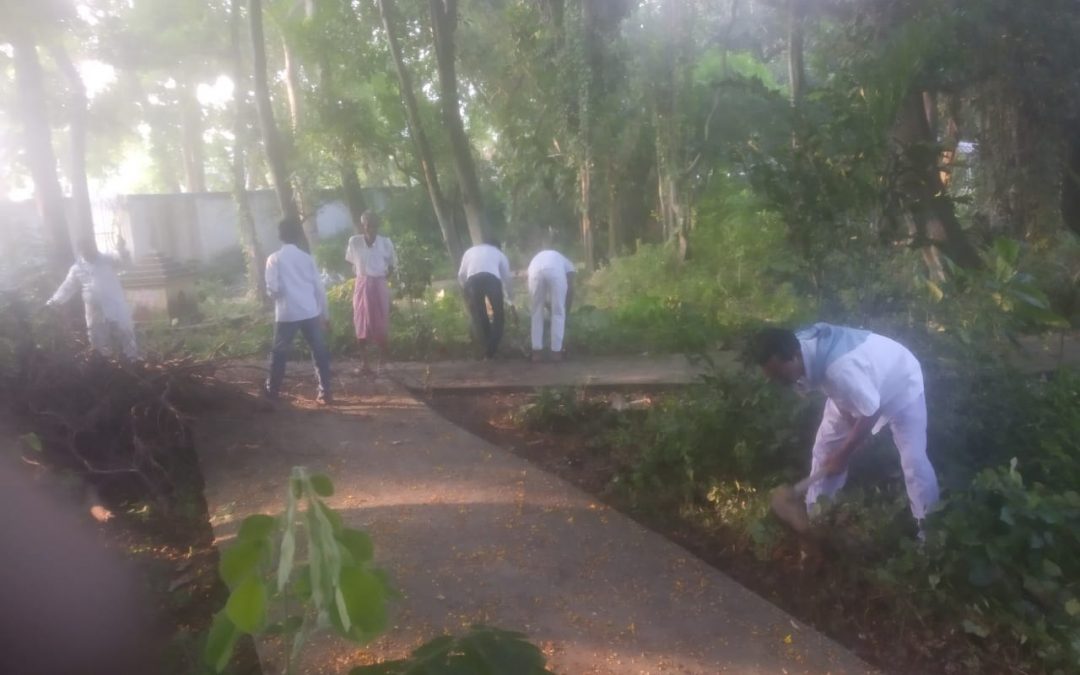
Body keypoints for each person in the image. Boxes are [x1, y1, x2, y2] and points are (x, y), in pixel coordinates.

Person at [751, 323, 939, 528]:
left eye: (780, 375)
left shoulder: (840, 370)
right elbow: (844, 396)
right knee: (824, 451)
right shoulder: (797, 345)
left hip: (900, 380)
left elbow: (870, 412)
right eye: (772, 376)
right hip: (857, 382)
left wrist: (844, 454)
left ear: (795, 355)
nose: (778, 381)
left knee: (914, 460)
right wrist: (852, 434)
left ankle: (929, 533)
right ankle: (816, 523)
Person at [265, 218, 333, 405]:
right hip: (310, 311)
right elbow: (319, 289)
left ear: (280, 236)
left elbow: (273, 290)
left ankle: (273, 392)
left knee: (279, 353)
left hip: (287, 314)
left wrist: (280, 291)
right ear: (297, 236)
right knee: (319, 351)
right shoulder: (307, 258)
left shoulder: (274, 259)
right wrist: (325, 315)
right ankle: (325, 392)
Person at [46, 236, 138, 359]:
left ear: (94, 246)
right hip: (94, 310)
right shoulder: (77, 268)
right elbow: (67, 287)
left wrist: (122, 250)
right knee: (97, 340)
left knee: (126, 335)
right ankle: (105, 367)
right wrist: (53, 302)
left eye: (90, 246)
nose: (88, 250)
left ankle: (134, 362)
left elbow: (126, 263)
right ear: (80, 250)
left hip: (116, 305)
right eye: (84, 248)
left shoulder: (108, 258)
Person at [345, 210, 397, 374]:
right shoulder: (354, 242)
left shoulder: (385, 243)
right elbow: (352, 262)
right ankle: (365, 363)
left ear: (377, 225)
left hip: (379, 283)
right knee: (360, 321)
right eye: (367, 224)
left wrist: (380, 278)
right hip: (362, 284)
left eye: (373, 224)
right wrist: (364, 277)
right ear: (363, 224)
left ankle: (383, 362)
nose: (370, 228)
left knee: (381, 322)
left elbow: (392, 265)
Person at [458, 238, 515, 359]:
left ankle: (488, 349)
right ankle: (492, 350)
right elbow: (507, 278)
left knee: (480, 315)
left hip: (472, 281)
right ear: (498, 246)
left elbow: (461, 275)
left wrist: (466, 290)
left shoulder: (470, 251)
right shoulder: (499, 253)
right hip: (491, 280)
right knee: (499, 316)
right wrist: (511, 299)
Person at [527, 249, 575, 362]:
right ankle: (556, 352)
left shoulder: (544, 256)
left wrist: (547, 304)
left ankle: (536, 352)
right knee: (558, 312)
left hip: (534, 269)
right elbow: (571, 288)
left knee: (536, 311)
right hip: (554, 272)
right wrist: (566, 309)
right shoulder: (569, 265)